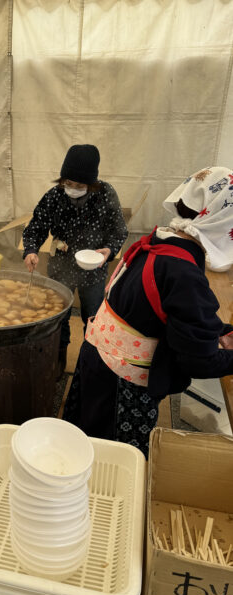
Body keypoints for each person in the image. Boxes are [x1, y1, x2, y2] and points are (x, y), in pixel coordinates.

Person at [63, 166, 233, 458]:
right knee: (113, 458)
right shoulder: (185, 275)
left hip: (96, 358)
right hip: (121, 384)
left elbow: (172, 309)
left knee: (84, 439)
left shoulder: (163, 240)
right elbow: (199, 362)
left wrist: (218, 331)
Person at [22, 144, 127, 376]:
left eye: (79, 186)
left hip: (94, 269)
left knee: (93, 319)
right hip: (61, 266)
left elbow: (119, 231)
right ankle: (58, 361)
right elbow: (36, 227)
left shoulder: (105, 194)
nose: (71, 189)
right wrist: (30, 250)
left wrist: (109, 250)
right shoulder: (55, 195)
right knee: (58, 317)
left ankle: (91, 365)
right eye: (67, 183)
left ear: (92, 183)